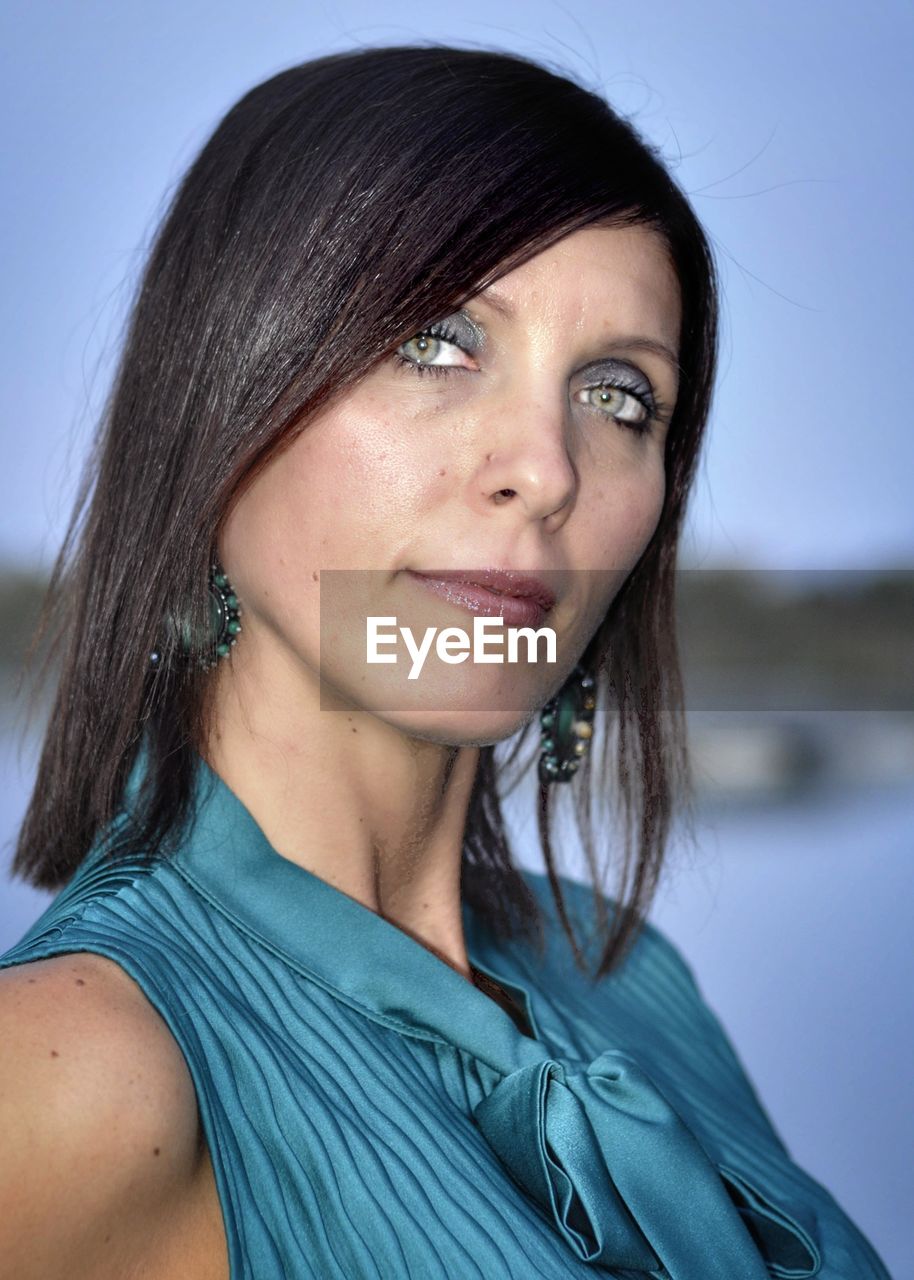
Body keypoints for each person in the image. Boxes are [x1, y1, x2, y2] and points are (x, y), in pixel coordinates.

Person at [0, 43, 890, 1280]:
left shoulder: (625, 971)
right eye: (434, 340)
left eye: (620, 394)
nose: (546, 466)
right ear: (219, 401)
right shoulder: (78, 1078)